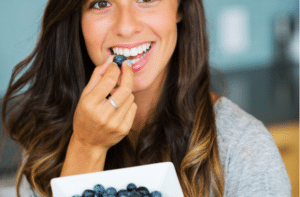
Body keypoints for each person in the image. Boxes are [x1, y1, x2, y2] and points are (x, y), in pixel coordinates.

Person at [1, 0, 291, 196]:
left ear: (179, 8)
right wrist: (86, 147)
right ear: (77, 18)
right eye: (101, 3)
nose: (126, 27)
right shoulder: (47, 146)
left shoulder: (243, 148)